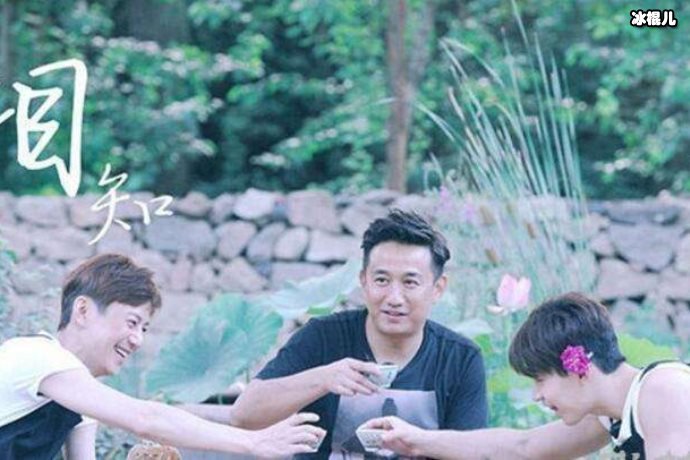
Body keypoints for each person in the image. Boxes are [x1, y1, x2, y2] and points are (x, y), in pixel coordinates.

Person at [0, 253, 325, 460]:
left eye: (144, 328)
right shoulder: (34, 355)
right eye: (132, 322)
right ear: (82, 310)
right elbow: (146, 419)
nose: (138, 340)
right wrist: (254, 442)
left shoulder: (78, 401)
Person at [230, 209, 489, 458]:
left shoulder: (460, 358)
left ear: (437, 288)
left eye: (410, 282)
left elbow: (472, 452)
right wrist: (323, 379)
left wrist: (417, 442)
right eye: (381, 280)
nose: (394, 298)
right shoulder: (322, 337)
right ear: (364, 281)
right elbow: (243, 416)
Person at [362, 292, 690, 459]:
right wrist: (416, 439)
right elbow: (523, 448)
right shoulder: (613, 412)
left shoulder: (664, 389)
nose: (537, 395)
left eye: (541, 379)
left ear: (578, 366)